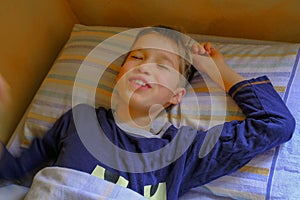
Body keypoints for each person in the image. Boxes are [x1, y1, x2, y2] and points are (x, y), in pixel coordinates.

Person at [0, 26, 295, 199]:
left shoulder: (184, 150)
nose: (145, 66)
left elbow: (275, 124)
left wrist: (217, 70)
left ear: (177, 95)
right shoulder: (81, 121)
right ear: (118, 75)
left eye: (163, 65)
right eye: (137, 57)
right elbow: (10, 171)